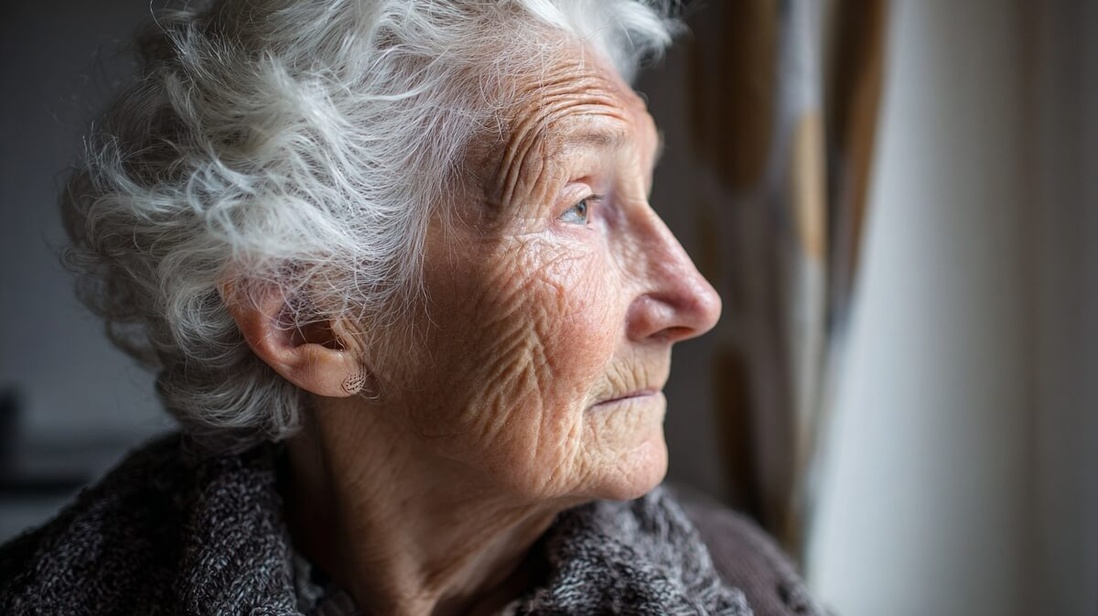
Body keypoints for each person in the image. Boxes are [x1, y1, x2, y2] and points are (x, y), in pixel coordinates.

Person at [0, 1, 822, 614]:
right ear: (307, 315)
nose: (694, 299)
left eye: (643, 191)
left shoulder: (745, 588)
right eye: (578, 206)